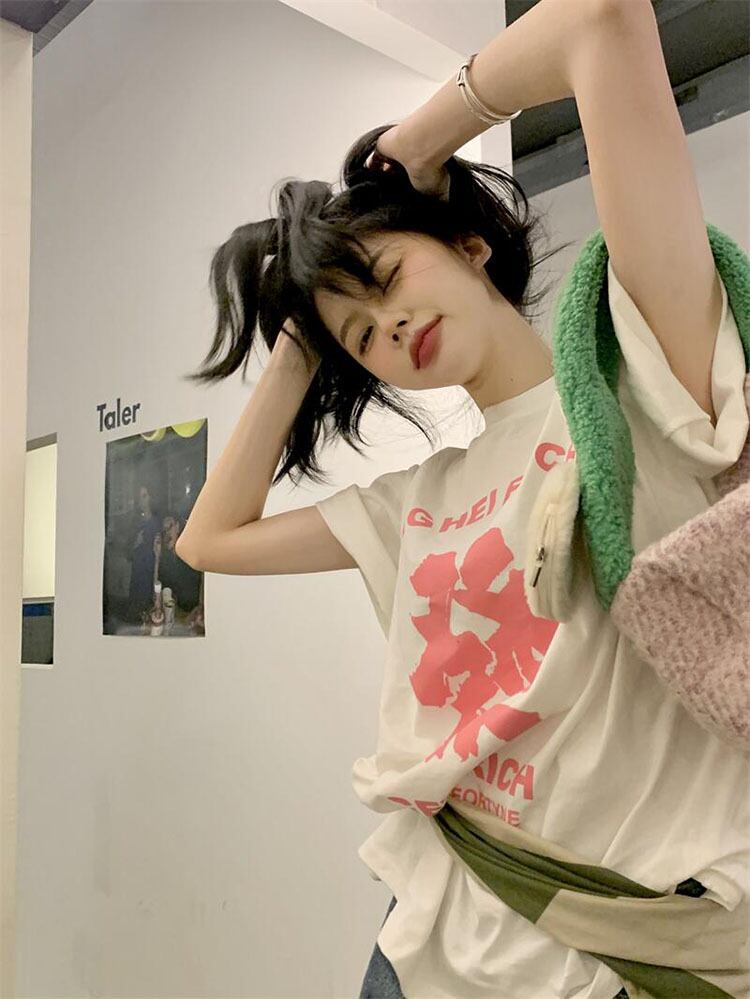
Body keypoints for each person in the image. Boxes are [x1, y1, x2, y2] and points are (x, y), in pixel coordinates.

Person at [175, 1, 750, 995]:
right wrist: (306, 335)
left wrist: (416, 148)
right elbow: (208, 539)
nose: (389, 327)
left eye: (389, 276)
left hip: (608, 946)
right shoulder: (415, 497)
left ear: (468, 246)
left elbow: (603, 19)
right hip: (430, 924)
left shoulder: (642, 375)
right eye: (363, 337)